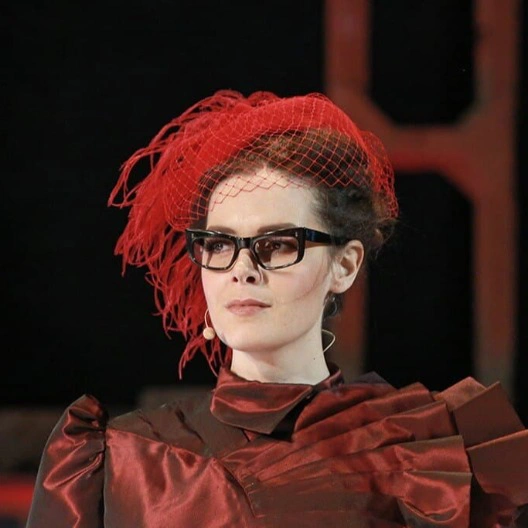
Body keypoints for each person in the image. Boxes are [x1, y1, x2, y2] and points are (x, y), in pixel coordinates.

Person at [26, 90, 527, 527]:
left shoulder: (425, 447)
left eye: (277, 244)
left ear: (345, 265)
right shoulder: (121, 457)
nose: (242, 269)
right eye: (219, 244)